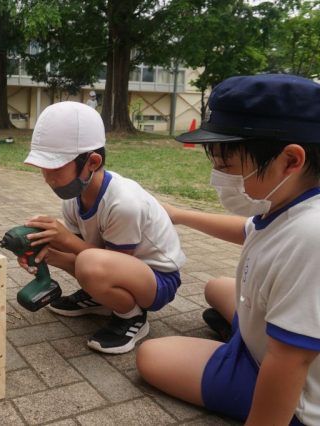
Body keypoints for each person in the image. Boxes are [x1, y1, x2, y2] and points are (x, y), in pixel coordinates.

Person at [136, 74, 320, 425]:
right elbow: (247, 230)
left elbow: (290, 361)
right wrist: (178, 215)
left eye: (227, 166)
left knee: (152, 356)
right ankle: (239, 334)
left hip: (292, 390)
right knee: (216, 286)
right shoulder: (289, 202)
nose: (218, 178)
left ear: (291, 160)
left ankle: (238, 349)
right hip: (269, 339)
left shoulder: (312, 237)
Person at [21, 101, 185, 354]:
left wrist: (64, 239)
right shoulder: (75, 197)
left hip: (158, 280)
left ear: (93, 162)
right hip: (119, 267)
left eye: (55, 167)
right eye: (42, 167)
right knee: (58, 248)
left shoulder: (123, 204)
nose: (48, 177)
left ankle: (132, 317)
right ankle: (100, 298)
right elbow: (87, 254)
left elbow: (107, 262)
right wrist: (46, 252)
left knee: (89, 264)